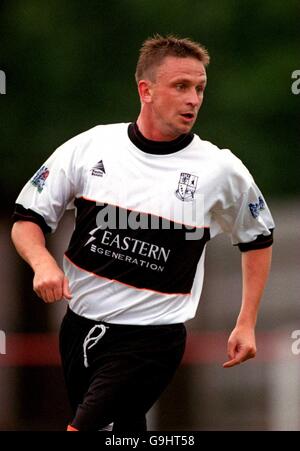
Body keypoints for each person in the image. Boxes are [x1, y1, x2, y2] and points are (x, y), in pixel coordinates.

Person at [11, 34, 274, 431]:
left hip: (150, 341)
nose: (194, 99)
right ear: (145, 90)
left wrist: (246, 321)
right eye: (181, 86)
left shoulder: (220, 170)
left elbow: (258, 238)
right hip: (78, 327)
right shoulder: (91, 147)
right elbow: (26, 219)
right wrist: (42, 263)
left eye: (200, 88)